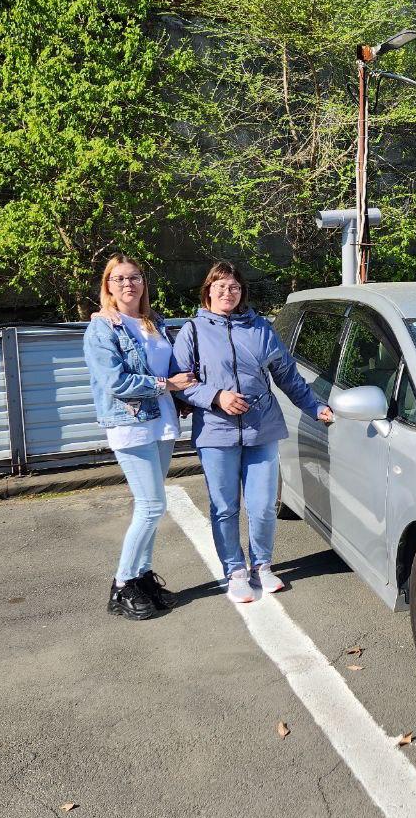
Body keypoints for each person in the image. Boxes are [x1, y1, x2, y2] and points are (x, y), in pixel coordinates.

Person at [173, 261, 334, 602]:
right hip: (216, 433)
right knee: (225, 507)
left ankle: (262, 565)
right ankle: (235, 571)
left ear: (242, 292)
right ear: (208, 291)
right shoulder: (193, 331)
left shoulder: (261, 329)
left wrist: (315, 406)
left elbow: (287, 375)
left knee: (262, 507)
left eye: (234, 287)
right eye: (220, 287)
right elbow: (182, 383)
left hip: (262, 428)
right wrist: (216, 397)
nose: (227, 293)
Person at [83, 255, 198, 621]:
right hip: (131, 426)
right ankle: (121, 585)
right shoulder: (102, 328)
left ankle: (143, 577)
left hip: (161, 423)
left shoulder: (154, 322)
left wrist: (182, 392)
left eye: (134, 277)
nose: (128, 284)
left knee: (152, 505)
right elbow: (115, 382)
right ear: (108, 286)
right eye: (119, 279)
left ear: (143, 283)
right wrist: (167, 385)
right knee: (151, 506)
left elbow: (171, 368)